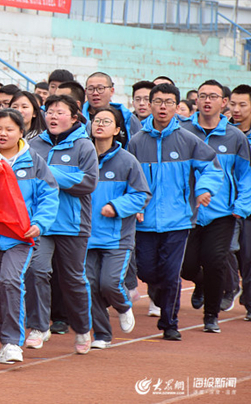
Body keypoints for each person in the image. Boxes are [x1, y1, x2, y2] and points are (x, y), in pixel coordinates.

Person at [127, 82, 223, 341]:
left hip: (178, 220)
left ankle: (170, 323)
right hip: (144, 220)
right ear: (150, 104)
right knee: (146, 272)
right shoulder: (136, 142)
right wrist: (133, 204)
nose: (162, 107)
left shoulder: (189, 140)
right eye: (158, 101)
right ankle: (161, 299)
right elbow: (128, 176)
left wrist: (204, 189)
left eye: (169, 102)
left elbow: (212, 169)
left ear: (177, 107)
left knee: (171, 274)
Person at [0, 109, 59, 364]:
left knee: (10, 281)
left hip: (22, 236)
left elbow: (48, 195)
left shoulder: (34, 161)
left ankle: (12, 343)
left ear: (21, 132)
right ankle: (5, 340)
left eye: (9, 129)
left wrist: (39, 224)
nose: (3, 133)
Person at [26, 94, 98, 355]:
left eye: (60, 112)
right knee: (36, 270)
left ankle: (82, 328)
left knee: (73, 280)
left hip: (73, 224)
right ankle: (37, 326)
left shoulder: (84, 146)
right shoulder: (33, 144)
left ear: (75, 117)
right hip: (40, 224)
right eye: (50, 112)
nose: (53, 117)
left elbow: (88, 182)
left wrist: (47, 172)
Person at [181, 80, 251, 333]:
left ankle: (211, 315)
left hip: (222, 212)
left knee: (215, 261)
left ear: (224, 103)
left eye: (213, 96)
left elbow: (246, 174)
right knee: (186, 265)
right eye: (202, 96)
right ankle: (199, 283)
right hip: (187, 212)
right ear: (196, 100)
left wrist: (241, 205)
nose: (207, 100)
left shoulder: (234, 137)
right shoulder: (183, 131)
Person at [85, 107, 150, 349]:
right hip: (86, 235)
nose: (99, 124)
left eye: (106, 121)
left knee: (109, 283)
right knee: (89, 286)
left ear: (118, 129)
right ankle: (101, 335)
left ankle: (123, 306)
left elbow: (141, 194)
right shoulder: (83, 155)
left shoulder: (126, 161)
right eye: (96, 120)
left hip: (117, 237)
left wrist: (115, 206)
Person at [229, 84, 251, 321]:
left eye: (242, 104)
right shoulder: (226, 132)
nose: (236, 109)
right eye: (233, 103)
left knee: (249, 254)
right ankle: (232, 286)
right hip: (231, 203)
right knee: (234, 252)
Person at [83, 72, 141, 143]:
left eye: (100, 88)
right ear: (85, 92)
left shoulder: (126, 117)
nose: (95, 93)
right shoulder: (79, 118)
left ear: (112, 91)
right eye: (91, 89)